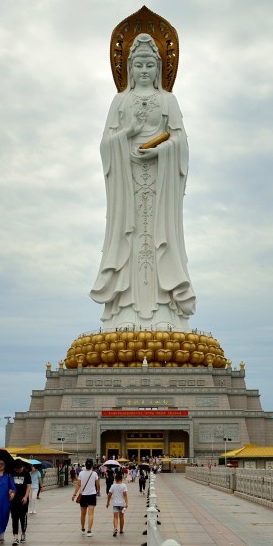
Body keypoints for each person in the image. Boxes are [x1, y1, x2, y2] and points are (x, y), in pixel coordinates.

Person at [91, 32, 196, 330]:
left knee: (159, 236)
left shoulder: (168, 100)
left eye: (150, 65)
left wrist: (162, 149)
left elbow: (181, 142)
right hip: (128, 185)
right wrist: (128, 133)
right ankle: (125, 310)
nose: (145, 71)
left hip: (161, 184)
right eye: (139, 65)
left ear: (160, 68)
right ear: (129, 69)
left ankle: (165, 308)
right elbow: (104, 145)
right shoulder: (120, 101)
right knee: (131, 236)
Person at [70, 458, 100, 537]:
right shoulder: (94, 474)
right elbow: (98, 484)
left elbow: (78, 485)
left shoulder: (81, 473)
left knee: (83, 514)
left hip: (83, 495)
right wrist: (98, 491)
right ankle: (89, 531)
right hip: (92, 495)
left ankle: (83, 529)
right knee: (91, 514)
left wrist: (74, 494)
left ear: (85, 465)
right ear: (92, 465)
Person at [9, 462, 30, 545]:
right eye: (18, 469)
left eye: (20, 468)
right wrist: (10, 491)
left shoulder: (26, 474)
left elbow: (28, 486)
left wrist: (26, 497)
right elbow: (9, 486)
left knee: (23, 518)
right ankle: (15, 538)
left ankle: (23, 534)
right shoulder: (11, 474)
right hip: (14, 499)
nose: (19, 470)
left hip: (23, 499)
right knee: (14, 518)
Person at [106, 470, 129, 537]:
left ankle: (115, 528)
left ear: (115, 479)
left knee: (115, 517)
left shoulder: (113, 486)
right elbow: (125, 495)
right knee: (122, 517)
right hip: (122, 504)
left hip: (115, 504)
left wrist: (108, 503)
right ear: (121, 479)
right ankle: (121, 530)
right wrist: (127, 503)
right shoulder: (124, 486)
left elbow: (109, 495)